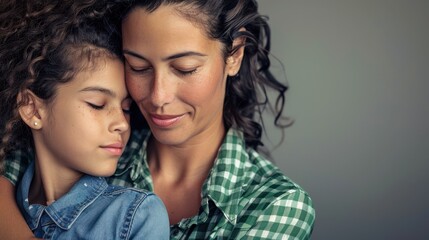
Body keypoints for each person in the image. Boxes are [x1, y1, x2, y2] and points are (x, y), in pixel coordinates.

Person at [1, 0, 315, 239]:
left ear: (233, 54)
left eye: (185, 68)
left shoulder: (275, 204)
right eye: (138, 67)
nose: (158, 96)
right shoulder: (89, 144)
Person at [0, 0, 169, 239]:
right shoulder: (7, 198)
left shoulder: (135, 217)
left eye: (126, 109)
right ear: (33, 110)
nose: (121, 123)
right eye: (97, 104)